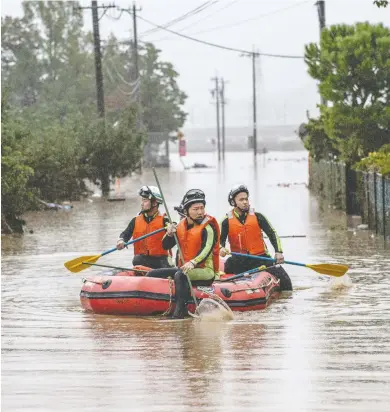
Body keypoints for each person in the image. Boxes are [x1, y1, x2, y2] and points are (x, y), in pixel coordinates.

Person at [146, 189, 220, 318]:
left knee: (180, 275)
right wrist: (169, 234)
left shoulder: (208, 228)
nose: (200, 212)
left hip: (204, 271)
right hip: (185, 269)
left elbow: (206, 249)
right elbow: (165, 245)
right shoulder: (180, 225)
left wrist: (193, 262)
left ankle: (180, 312)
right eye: (195, 209)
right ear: (186, 211)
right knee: (152, 274)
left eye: (202, 208)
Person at [220, 184, 292, 290]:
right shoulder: (225, 221)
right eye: (241, 199)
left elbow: (272, 234)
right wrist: (221, 248)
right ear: (233, 202)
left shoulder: (258, 217)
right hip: (238, 260)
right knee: (227, 268)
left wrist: (278, 252)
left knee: (285, 280)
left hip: (260, 258)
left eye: (246, 199)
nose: (245, 202)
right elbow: (218, 241)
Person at [116, 185, 172, 269]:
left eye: (145, 201)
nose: (142, 204)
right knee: (137, 259)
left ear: (154, 203)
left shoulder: (165, 220)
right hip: (142, 261)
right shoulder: (136, 220)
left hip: (161, 262)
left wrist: (171, 230)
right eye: (142, 200)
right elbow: (125, 234)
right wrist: (121, 241)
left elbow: (175, 233)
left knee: (138, 259)